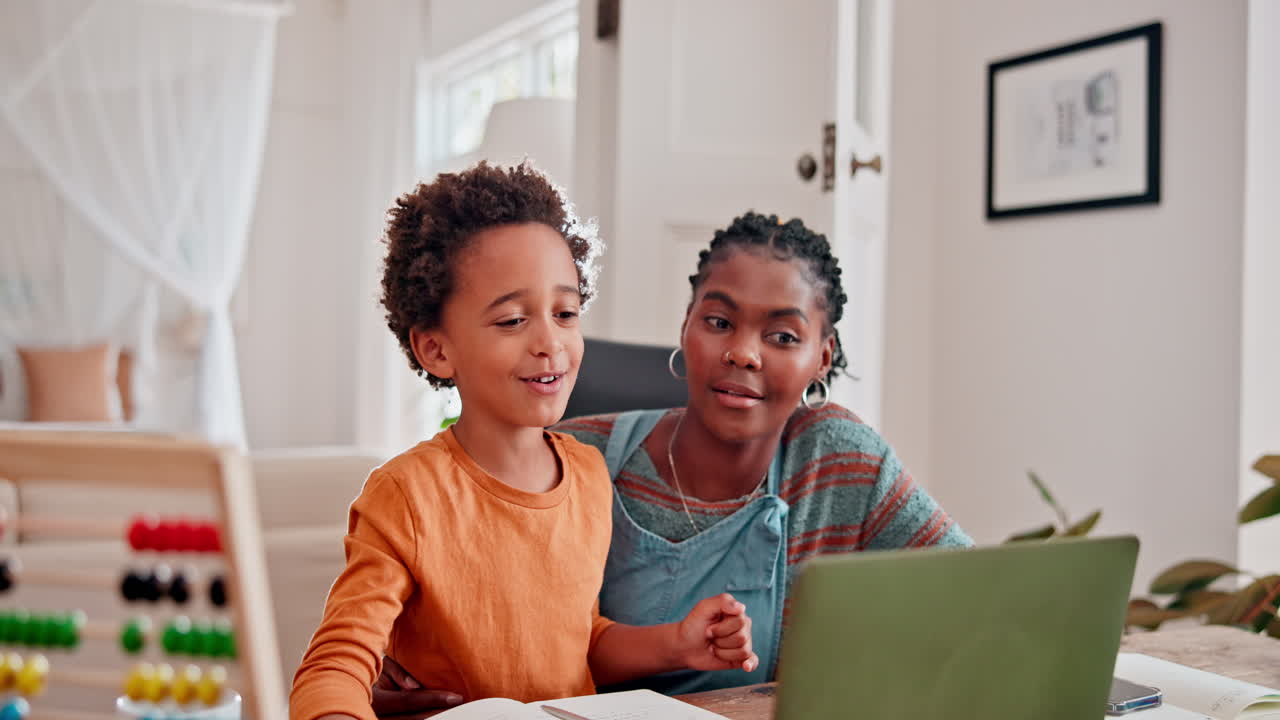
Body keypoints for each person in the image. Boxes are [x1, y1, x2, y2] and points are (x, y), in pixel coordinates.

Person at [370, 211, 971, 712]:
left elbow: (985, 601)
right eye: (718, 322)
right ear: (686, 327)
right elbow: (437, 583)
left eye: (783, 337)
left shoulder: (839, 462)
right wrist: (398, 665)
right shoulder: (577, 457)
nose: (742, 352)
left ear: (823, 355)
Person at [289, 164, 758, 720]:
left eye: (565, 313)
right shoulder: (405, 495)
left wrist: (674, 643)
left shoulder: (587, 475)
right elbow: (336, 664)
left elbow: (576, 641)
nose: (549, 343)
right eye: (512, 320)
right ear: (437, 349)